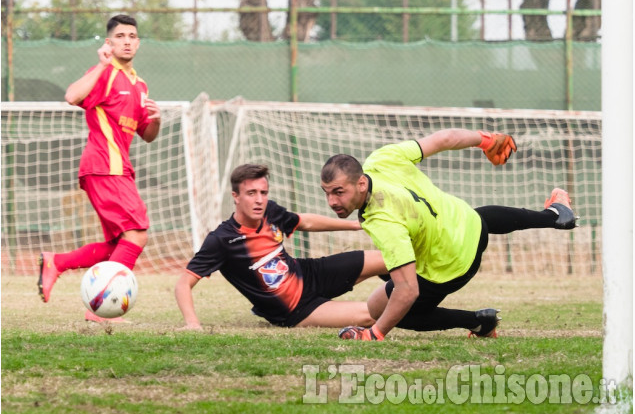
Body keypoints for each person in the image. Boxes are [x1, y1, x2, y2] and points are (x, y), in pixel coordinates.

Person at [320, 128, 577, 341]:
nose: (332, 201)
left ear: (361, 184)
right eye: (327, 192)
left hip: (452, 264)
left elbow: (407, 290)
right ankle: (555, 216)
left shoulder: (382, 221)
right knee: (479, 218)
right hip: (465, 221)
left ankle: (478, 323)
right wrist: (487, 140)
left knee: (378, 307)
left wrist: (374, 334)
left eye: (338, 192)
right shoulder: (381, 159)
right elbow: (444, 139)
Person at [38, 14, 162, 323]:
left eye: (132, 36)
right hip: (105, 166)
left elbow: (147, 135)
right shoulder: (105, 73)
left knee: (117, 246)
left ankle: (57, 262)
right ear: (109, 43)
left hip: (118, 170)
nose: (127, 41)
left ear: (139, 42)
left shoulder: (140, 84)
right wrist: (104, 65)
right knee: (136, 236)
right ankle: (103, 311)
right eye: (120, 36)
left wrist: (157, 120)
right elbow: (71, 96)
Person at [174, 164, 390, 330]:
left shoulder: (270, 211)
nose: (259, 200)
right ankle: (412, 302)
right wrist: (192, 322)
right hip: (297, 310)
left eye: (263, 192)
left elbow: (304, 221)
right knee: (372, 314)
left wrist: (354, 225)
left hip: (310, 273)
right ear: (236, 197)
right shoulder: (222, 240)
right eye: (251, 193)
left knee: (390, 259)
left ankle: (418, 288)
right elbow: (184, 284)